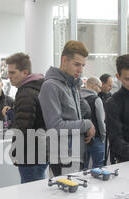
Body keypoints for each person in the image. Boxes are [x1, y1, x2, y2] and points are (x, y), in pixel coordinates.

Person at [38, 40, 95, 176]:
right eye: (77, 64)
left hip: (76, 153)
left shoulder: (72, 85)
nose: (80, 70)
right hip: (62, 157)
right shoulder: (50, 86)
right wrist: (86, 124)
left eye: (83, 65)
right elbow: (55, 126)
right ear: (64, 60)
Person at [6, 52, 48, 183]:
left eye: (12, 73)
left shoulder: (26, 93)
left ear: (24, 72)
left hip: (31, 154)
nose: (9, 76)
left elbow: (23, 127)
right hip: (41, 150)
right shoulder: (38, 87)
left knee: (31, 195)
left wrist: (15, 152)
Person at [81, 77, 106, 169]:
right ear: (93, 86)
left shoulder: (77, 98)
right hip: (96, 138)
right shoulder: (96, 99)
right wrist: (103, 136)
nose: (100, 90)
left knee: (83, 168)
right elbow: (101, 121)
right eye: (99, 87)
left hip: (80, 138)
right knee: (98, 166)